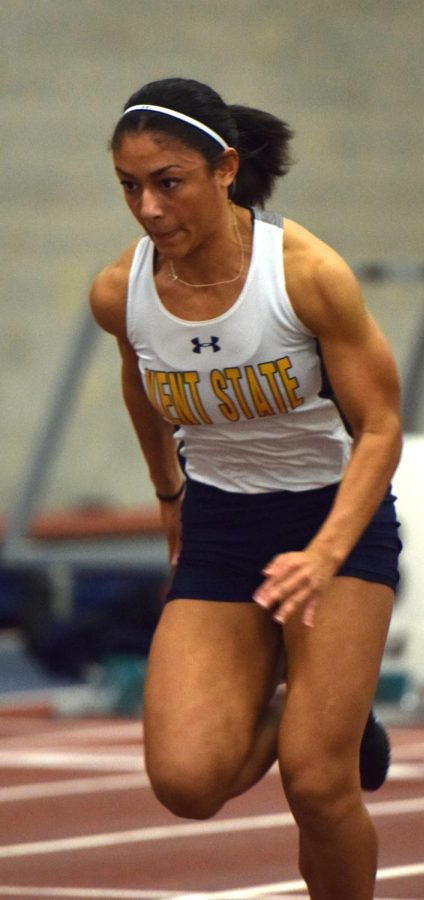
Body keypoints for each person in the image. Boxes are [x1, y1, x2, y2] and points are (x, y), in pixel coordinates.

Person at [90, 77, 402, 900]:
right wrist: (170, 497)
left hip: (332, 519)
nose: (149, 210)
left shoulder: (305, 274)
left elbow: (381, 427)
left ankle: (327, 722)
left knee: (316, 780)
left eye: (169, 183)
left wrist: (325, 554)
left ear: (225, 168)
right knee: (188, 783)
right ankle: (305, 692)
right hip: (224, 527)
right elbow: (140, 384)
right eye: (130, 187)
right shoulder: (122, 293)